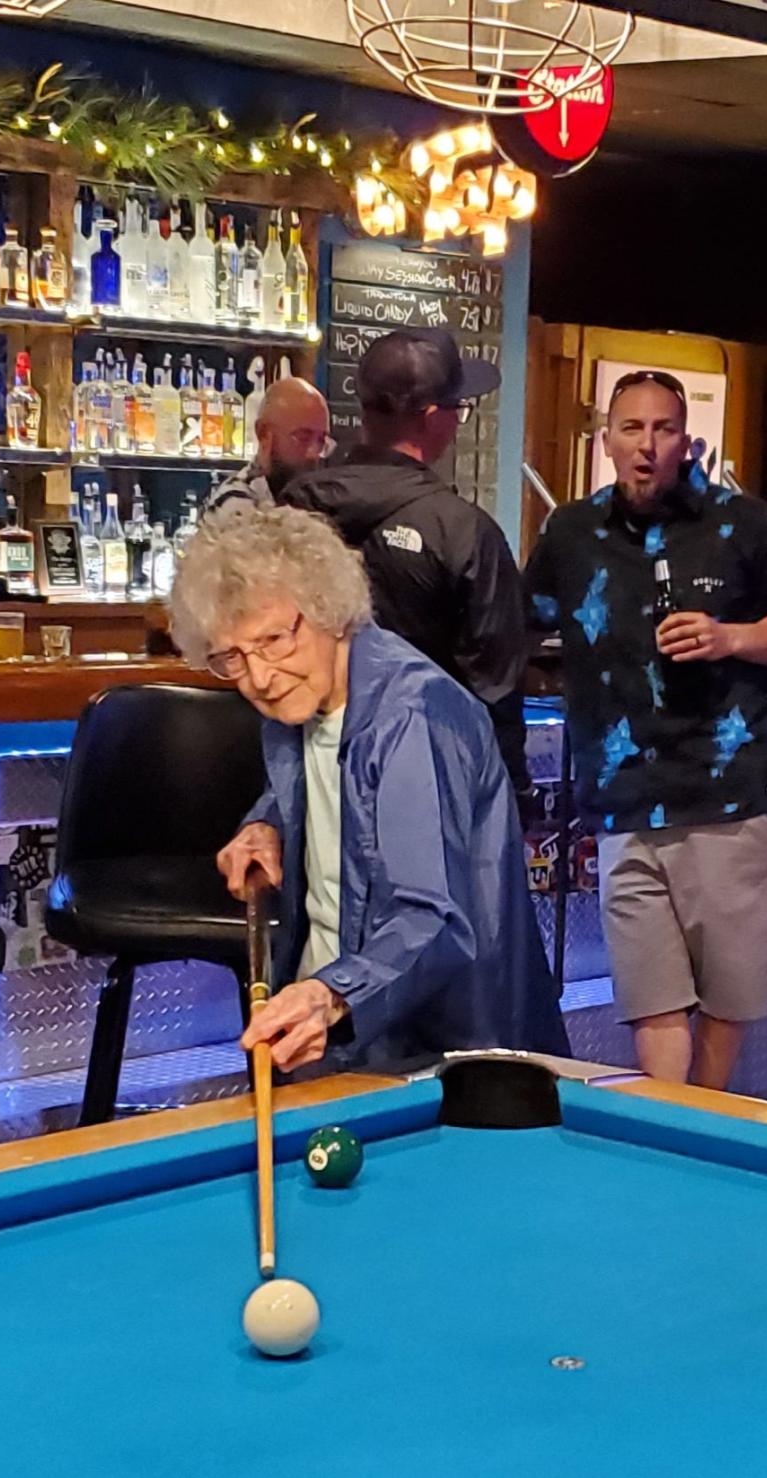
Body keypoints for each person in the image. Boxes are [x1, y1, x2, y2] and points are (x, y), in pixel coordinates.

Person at [169, 504, 567, 1073]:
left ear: (330, 611)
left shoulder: (411, 716)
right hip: (343, 1031)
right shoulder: (300, 696)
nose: (258, 677)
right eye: (232, 657)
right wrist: (267, 823)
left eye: (274, 639)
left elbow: (430, 921)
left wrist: (328, 996)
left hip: (436, 1059)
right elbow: (329, 787)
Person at [524, 369, 767, 1089]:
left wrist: (730, 638)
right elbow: (520, 631)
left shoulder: (741, 522)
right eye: (632, 428)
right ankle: (672, 1132)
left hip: (729, 801)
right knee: (649, 1007)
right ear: (608, 440)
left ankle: (702, 1129)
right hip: (623, 802)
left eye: (663, 429)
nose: (647, 445)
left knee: (726, 1005)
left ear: (687, 441)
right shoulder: (570, 531)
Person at [283, 327, 530, 800]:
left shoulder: (296, 510)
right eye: (458, 409)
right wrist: (508, 804)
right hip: (425, 782)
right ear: (434, 418)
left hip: (311, 772)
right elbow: (495, 691)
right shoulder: (463, 531)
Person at [206, 376, 332, 513]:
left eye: (321, 441)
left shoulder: (307, 501)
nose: (313, 453)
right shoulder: (236, 504)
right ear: (263, 434)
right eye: (303, 438)